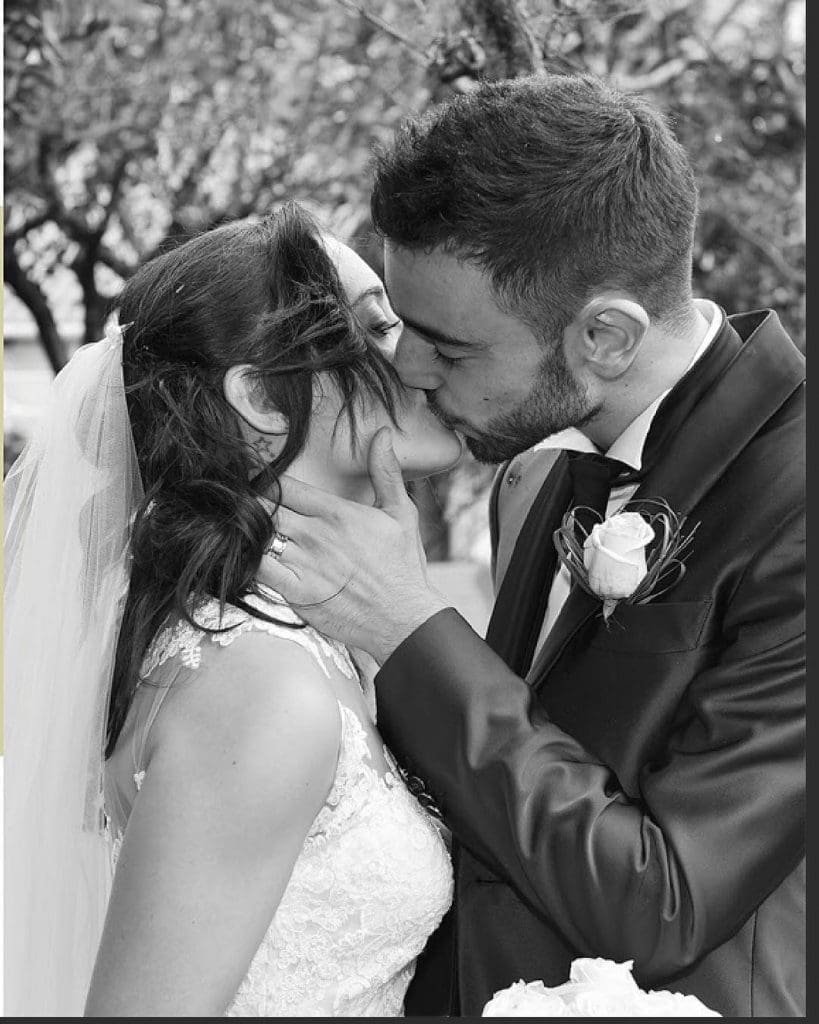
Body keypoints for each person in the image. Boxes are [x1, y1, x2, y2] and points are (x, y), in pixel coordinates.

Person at [259, 74, 806, 1017]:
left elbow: (665, 902)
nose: (407, 368)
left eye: (449, 347)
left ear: (605, 336)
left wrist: (409, 629)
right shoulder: (534, 478)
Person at [4, 202, 460, 1017]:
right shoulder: (259, 687)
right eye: (374, 328)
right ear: (263, 398)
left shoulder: (294, 635)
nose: (421, 358)